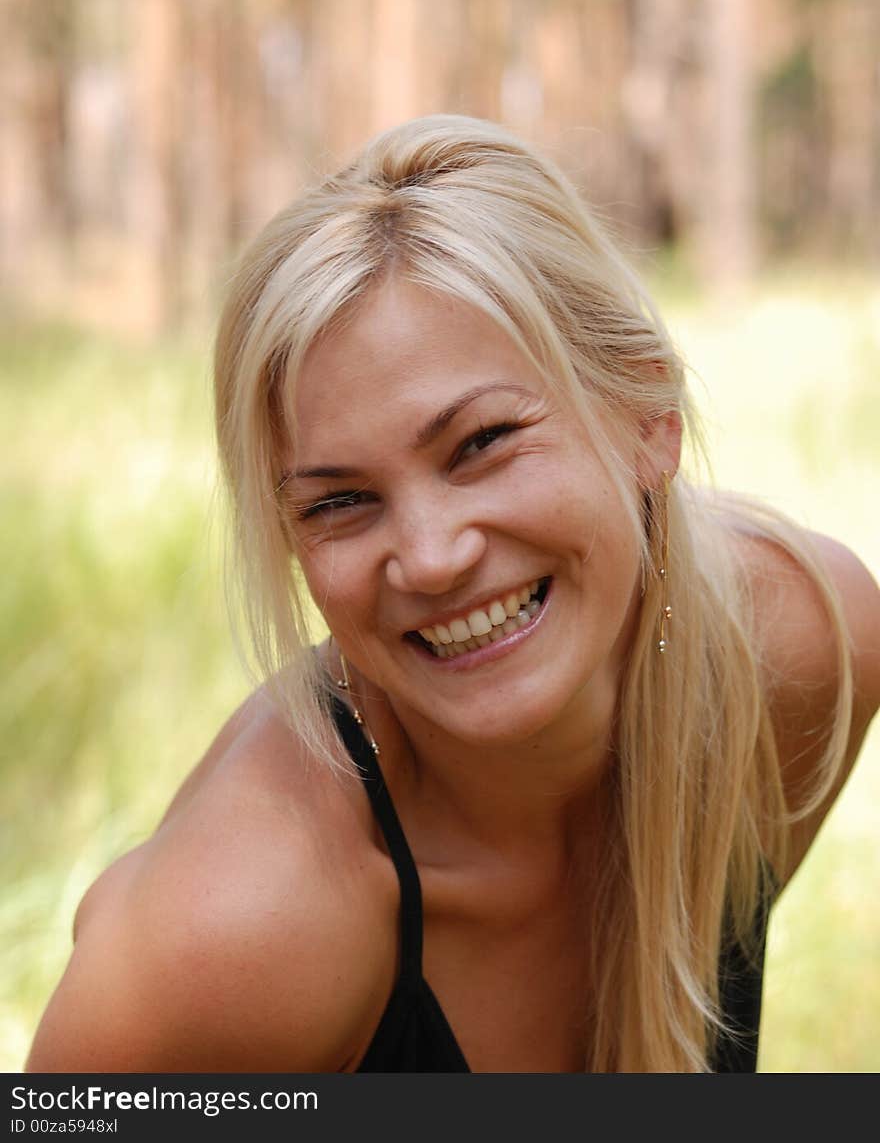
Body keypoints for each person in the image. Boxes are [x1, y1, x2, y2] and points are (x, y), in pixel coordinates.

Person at [27, 114, 879, 1073]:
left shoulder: (804, 652)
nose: (429, 559)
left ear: (649, 418)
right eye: (342, 501)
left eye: (481, 443)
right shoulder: (241, 926)